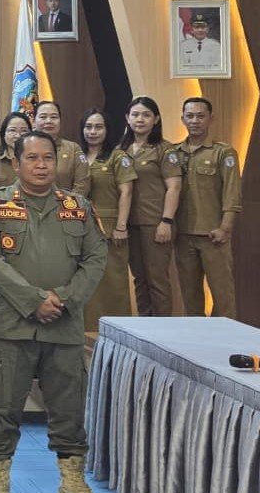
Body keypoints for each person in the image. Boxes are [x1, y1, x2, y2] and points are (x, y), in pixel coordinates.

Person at [0, 131, 110, 493]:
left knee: (70, 409)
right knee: (2, 408)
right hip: (12, 326)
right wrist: (34, 301)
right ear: (16, 164)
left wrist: (63, 299)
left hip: (64, 327)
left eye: (48, 157)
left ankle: (72, 484)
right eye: (32, 158)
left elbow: (96, 257)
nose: (41, 165)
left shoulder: (78, 207)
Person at [174, 97, 241, 318]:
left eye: (200, 116)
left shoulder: (223, 152)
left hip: (213, 235)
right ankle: (196, 337)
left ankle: (225, 336)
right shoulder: (174, 153)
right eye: (190, 116)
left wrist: (225, 228)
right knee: (190, 297)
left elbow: (232, 194)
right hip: (183, 235)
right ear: (182, 119)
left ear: (211, 119)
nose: (195, 121)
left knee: (223, 296)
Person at [117, 96, 181, 316]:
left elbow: (174, 188)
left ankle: (162, 328)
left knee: (157, 279)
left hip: (155, 223)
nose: (140, 119)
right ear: (127, 118)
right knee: (139, 278)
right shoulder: (121, 149)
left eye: (146, 115)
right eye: (135, 115)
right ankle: (144, 325)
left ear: (156, 119)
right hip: (129, 224)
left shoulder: (164, 149)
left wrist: (166, 221)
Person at [80, 109, 135, 331]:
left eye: (98, 127)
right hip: (82, 227)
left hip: (111, 227)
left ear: (107, 130)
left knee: (113, 280)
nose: (92, 132)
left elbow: (126, 192)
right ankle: (88, 330)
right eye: (88, 127)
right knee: (87, 281)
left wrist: (121, 226)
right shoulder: (78, 156)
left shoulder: (117, 156)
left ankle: (116, 331)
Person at [32, 101, 91, 196]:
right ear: (34, 121)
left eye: (54, 117)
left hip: (66, 203)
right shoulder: (25, 148)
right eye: (43, 117)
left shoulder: (73, 149)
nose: (48, 121)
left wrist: (68, 203)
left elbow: (82, 184)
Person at [0, 112, 31, 190]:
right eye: (12, 130)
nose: (18, 135)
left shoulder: (37, 161)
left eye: (24, 131)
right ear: (3, 134)